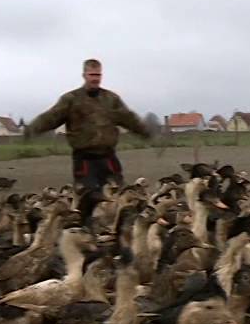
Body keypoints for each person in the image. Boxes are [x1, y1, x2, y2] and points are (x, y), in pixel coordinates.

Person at [24, 58, 154, 228]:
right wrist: (32, 129)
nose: (95, 79)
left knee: (119, 194)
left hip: (108, 156)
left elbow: (129, 118)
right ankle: (83, 232)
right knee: (87, 197)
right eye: (92, 75)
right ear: (84, 75)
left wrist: (146, 132)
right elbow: (51, 117)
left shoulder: (111, 99)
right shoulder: (71, 99)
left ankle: (118, 233)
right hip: (84, 159)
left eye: (98, 75)